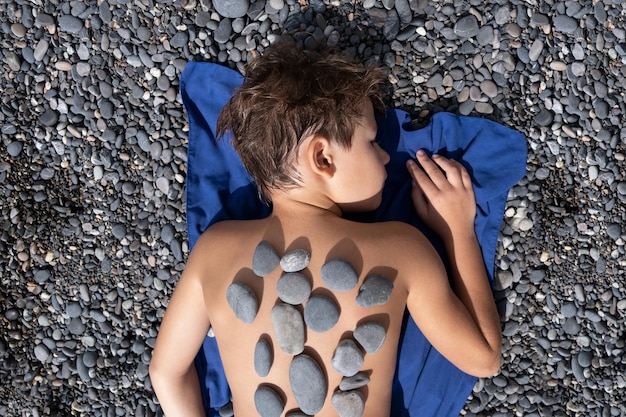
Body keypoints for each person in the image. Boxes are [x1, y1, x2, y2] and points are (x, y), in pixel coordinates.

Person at [149, 42, 502, 417]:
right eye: (371, 142)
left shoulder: (214, 248)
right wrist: (457, 231)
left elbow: (166, 371)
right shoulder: (401, 247)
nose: (385, 156)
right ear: (323, 158)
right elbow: (483, 359)